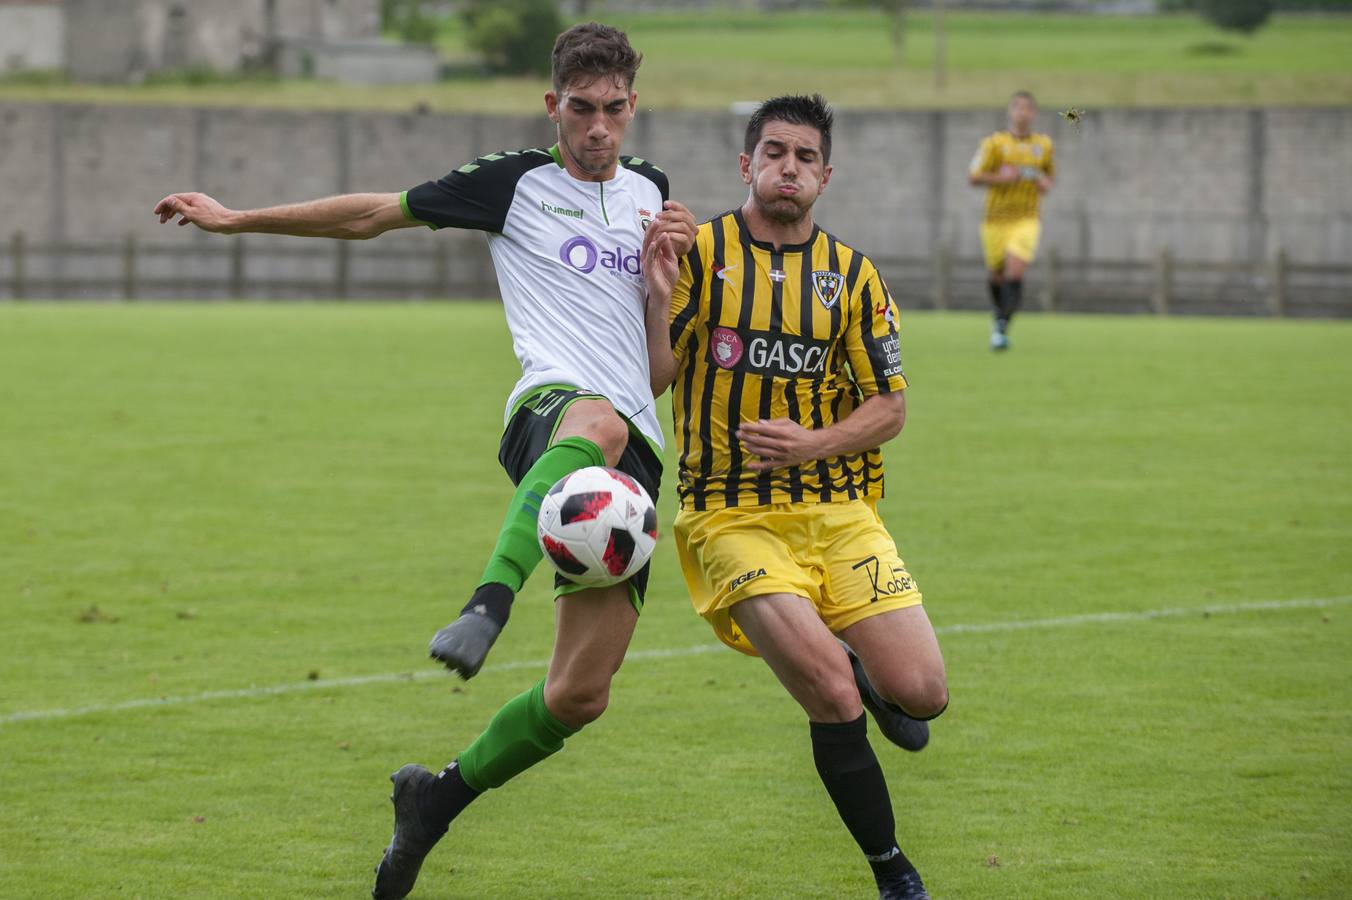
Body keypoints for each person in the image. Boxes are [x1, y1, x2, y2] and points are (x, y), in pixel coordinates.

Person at [154, 23, 696, 900]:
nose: (599, 127)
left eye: (616, 110)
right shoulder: (512, 182)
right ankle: (486, 602)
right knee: (593, 421)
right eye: (583, 109)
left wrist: (666, 296)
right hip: (553, 413)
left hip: (636, 453)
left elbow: (659, 376)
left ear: (635, 106)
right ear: (553, 105)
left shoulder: (655, 196)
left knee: (578, 698)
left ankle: (435, 801)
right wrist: (235, 218)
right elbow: (374, 213)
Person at [643, 95, 948, 900]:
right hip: (729, 515)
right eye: (774, 152)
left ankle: (856, 656)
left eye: (805, 157)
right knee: (830, 691)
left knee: (924, 694)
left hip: (841, 516)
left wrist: (813, 443)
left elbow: (891, 407)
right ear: (747, 165)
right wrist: (655, 295)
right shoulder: (699, 254)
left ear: (826, 175)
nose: (789, 168)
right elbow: (652, 382)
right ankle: (893, 871)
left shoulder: (853, 276)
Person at [967, 90, 1055, 350]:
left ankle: (1002, 326)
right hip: (995, 220)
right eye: (1018, 108)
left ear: (1034, 113)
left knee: (1015, 269)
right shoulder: (994, 144)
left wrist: (1044, 183)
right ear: (1011, 112)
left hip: (1026, 218)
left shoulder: (1043, 146)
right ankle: (998, 313)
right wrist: (999, 178)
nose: (1022, 113)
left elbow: (1049, 177)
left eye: (1028, 108)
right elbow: (973, 176)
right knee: (997, 274)